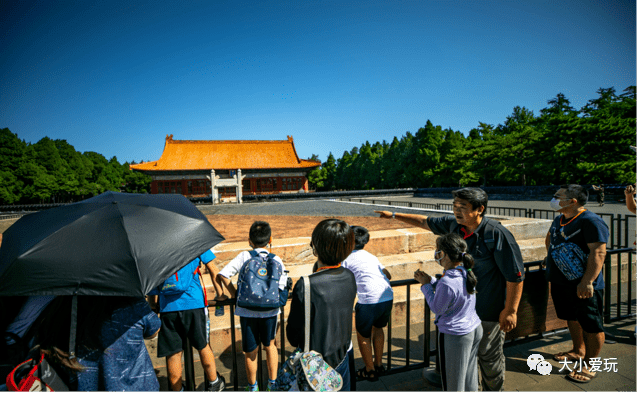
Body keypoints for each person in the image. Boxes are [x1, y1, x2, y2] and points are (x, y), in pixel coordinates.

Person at [376, 187, 525, 391]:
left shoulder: (496, 234)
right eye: (454, 206)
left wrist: (510, 310)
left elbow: (515, 276)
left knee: (489, 359)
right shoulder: (453, 225)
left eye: (462, 206)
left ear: (480, 209)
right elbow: (423, 221)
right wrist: (393, 214)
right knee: (468, 362)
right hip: (463, 313)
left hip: (488, 311)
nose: (456, 210)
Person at [545, 184, 609, 384]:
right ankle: (578, 350)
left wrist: (587, 281)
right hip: (561, 282)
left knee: (591, 324)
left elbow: (598, 252)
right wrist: (552, 258)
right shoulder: (560, 218)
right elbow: (550, 239)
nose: (554, 199)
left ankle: (590, 363)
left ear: (572, 201)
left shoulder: (591, 221)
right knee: (571, 317)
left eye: (558, 196)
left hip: (583, 284)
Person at [215, 221, 288, 392]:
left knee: (250, 351)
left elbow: (223, 275)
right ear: (270, 240)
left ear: (249, 240)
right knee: (270, 345)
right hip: (270, 311)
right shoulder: (275, 259)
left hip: (247, 311)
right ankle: (272, 383)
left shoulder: (244, 256)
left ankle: (252, 386)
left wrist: (235, 295)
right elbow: (283, 284)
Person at [30, 296, 161, 392]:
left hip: (82, 385)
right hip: (136, 386)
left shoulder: (64, 305)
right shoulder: (132, 302)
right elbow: (153, 330)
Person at [286, 219, 357, 392]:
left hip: (316, 366)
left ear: (315, 248)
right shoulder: (349, 276)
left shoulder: (306, 285)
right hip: (343, 355)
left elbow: (293, 336)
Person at [149, 249, 225, 392]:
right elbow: (214, 270)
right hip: (194, 303)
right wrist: (220, 294)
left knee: (173, 353)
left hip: (168, 307)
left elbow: (152, 284)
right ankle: (214, 382)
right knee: (203, 345)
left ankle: (177, 390)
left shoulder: (157, 247)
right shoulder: (195, 241)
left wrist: (153, 305)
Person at [414, 233, 483, 392]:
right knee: (469, 376)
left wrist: (425, 286)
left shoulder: (447, 281)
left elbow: (437, 308)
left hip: (456, 336)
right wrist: (431, 280)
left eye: (438, 250)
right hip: (473, 328)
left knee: (453, 382)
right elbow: (453, 292)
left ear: (444, 254)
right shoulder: (465, 270)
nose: (437, 253)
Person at [341, 226, 393, 382]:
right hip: (386, 296)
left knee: (363, 335)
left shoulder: (346, 258)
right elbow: (388, 275)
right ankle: (378, 364)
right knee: (378, 329)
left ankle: (369, 371)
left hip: (368, 301)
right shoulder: (371, 256)